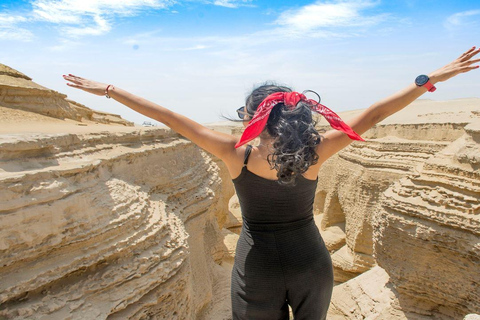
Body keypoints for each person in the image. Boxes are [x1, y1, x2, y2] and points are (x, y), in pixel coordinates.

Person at [63, 46, 479, 320]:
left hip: (256, 265)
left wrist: (111, 90)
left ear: (251, 114)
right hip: (312, 264)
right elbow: (373, 114)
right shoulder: (318, 149)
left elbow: (169, 117)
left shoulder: (233, 151)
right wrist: (430, 78)